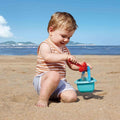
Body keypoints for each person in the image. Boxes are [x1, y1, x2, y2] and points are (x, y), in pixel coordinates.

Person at [33, 12, 90, 107]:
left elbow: (72, 65)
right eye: (63, 36)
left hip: (60, 82)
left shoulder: (65, 49)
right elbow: (48, 57)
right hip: (43, 81)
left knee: (72, 97)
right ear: (51, 30)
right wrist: (65, 56)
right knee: (54, 75)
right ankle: (43, 99)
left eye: (69, 37)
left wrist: (82, 66)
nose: (66, 40)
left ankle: (55, 95)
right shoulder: (45, 45)